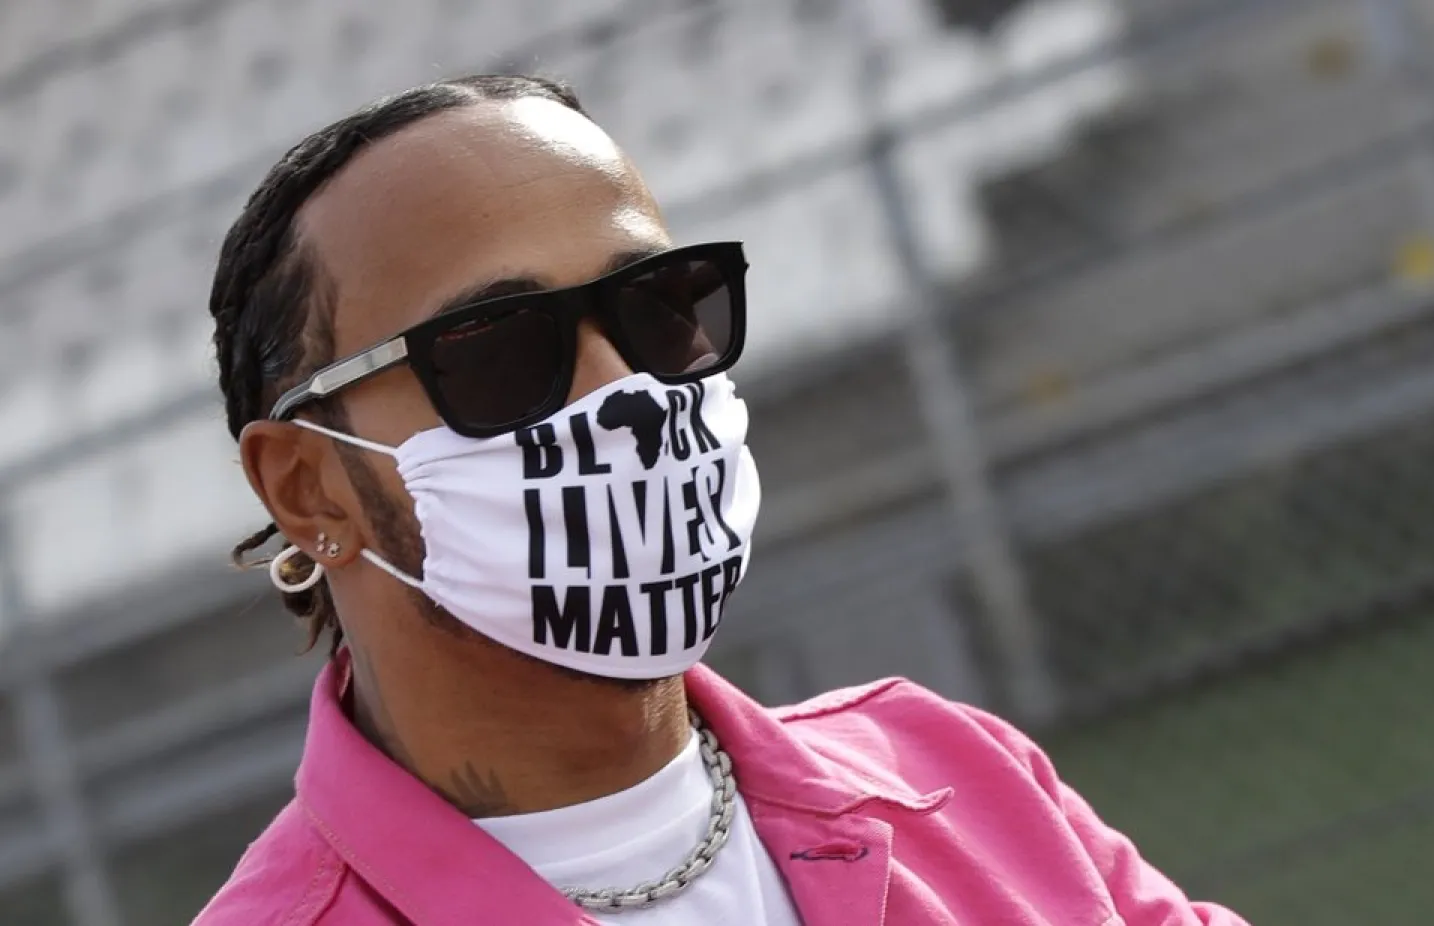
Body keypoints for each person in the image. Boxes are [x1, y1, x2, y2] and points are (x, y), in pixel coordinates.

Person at [193, 74, 1250, 925]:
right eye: (499, 345)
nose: (625, 389)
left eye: (656, 306)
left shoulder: (954, 772)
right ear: (307, 484)